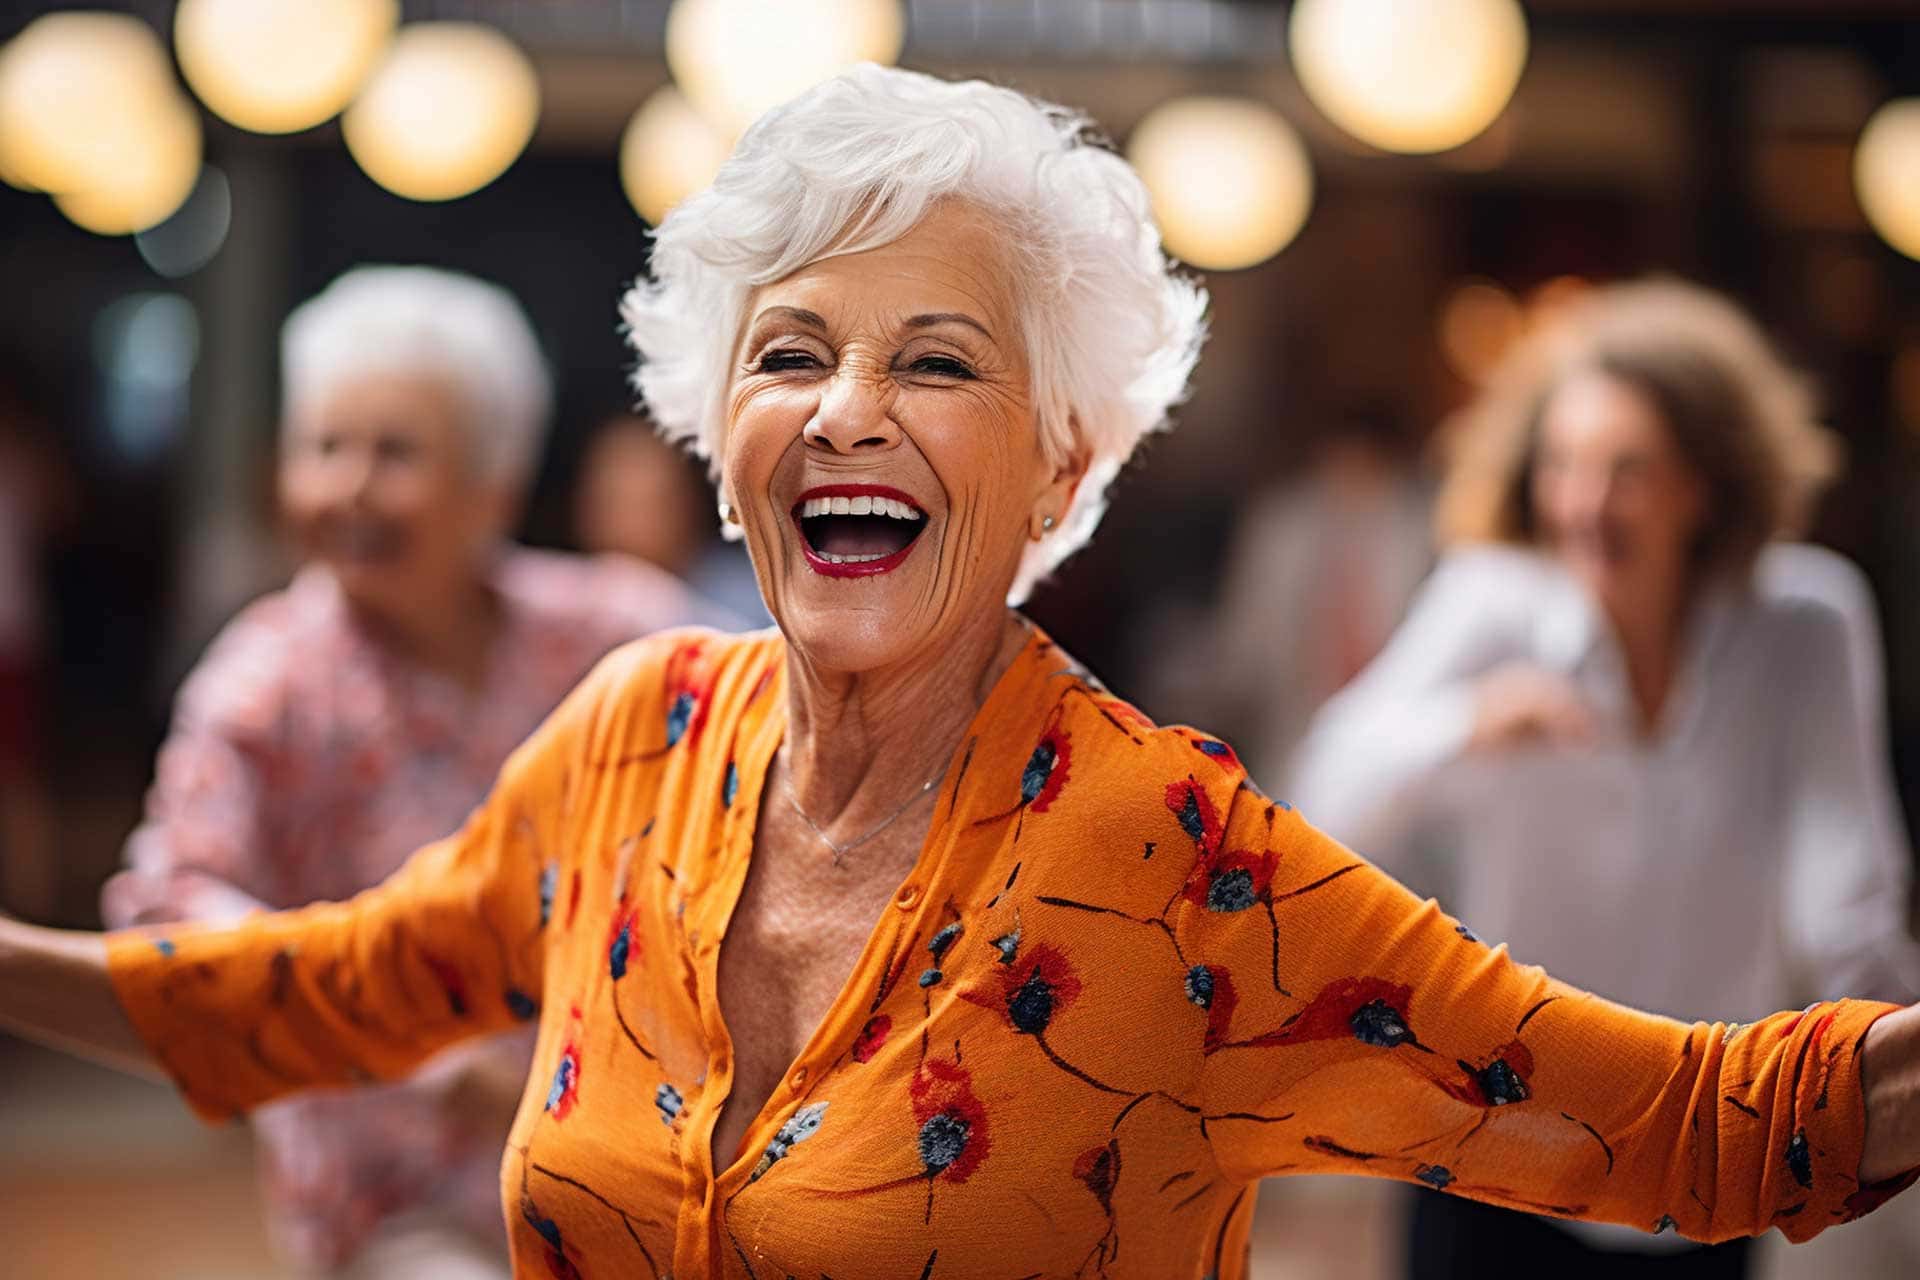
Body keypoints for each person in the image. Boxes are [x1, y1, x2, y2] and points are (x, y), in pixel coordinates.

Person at [4, 69, 1920, 1280]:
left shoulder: (1171, 854)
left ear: (1061, 462)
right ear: (716, 428)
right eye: (789, 355)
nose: (848, 411)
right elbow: (315, 990)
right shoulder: (631, 739)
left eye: (935, 361)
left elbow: (1696, 1123)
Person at [98, 266, 727, 1278]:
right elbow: (165, 902)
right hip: (400, 1199)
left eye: (395, 452)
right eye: (322, 446)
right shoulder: (267, 680)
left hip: (636, 1163)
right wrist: (398, 1034)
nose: (347, 483)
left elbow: (765, 739)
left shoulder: (610, 632)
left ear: (494, 483)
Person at [1288, 279, 1920, 1278]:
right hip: (1489, 1138)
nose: (1585, 502)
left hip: (1707, 1147)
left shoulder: (1807, 621)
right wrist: (1468, 721)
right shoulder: (1491, 600)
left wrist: (1892, 1041)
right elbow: (1326, 788)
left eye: (1628, 469)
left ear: (1705, 482)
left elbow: (1840, 873)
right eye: (1565, 465)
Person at [574, 411, 769, 625]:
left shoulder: (758, 600)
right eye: (613, 499)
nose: (630, 523)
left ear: (689, 503)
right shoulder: (560, 602)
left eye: (648, 501)